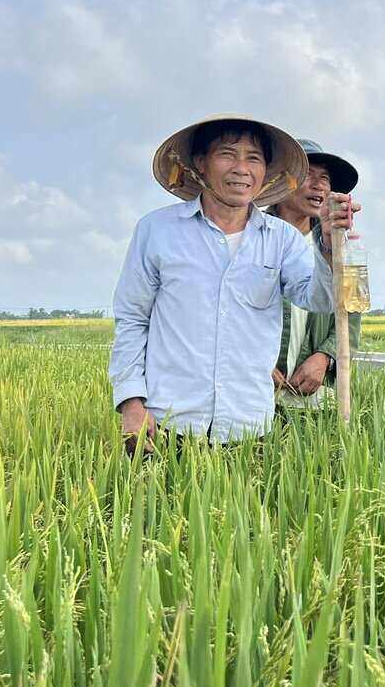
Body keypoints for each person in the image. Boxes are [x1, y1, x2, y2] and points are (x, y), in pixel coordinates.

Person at [110, 114, 359, 446]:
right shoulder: (156, 231)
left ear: (266, 171)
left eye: (253, 158)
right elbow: (132, 318)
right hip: (168, 422)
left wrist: (328, 245)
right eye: (227, 154)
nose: (242, 168)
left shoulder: (281, 239)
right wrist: (131, 402)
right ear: (200, 163)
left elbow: (320, 299)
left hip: (249, 427)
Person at [268, 139, 362, 409]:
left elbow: (352, 311)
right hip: (256, 399)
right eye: (308, 174)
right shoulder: (254, 237)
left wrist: (325, 356)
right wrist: (254, 360)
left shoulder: (340, 244)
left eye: (325, 178)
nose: (319, 185)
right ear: (281, 182)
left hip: (315, 400)